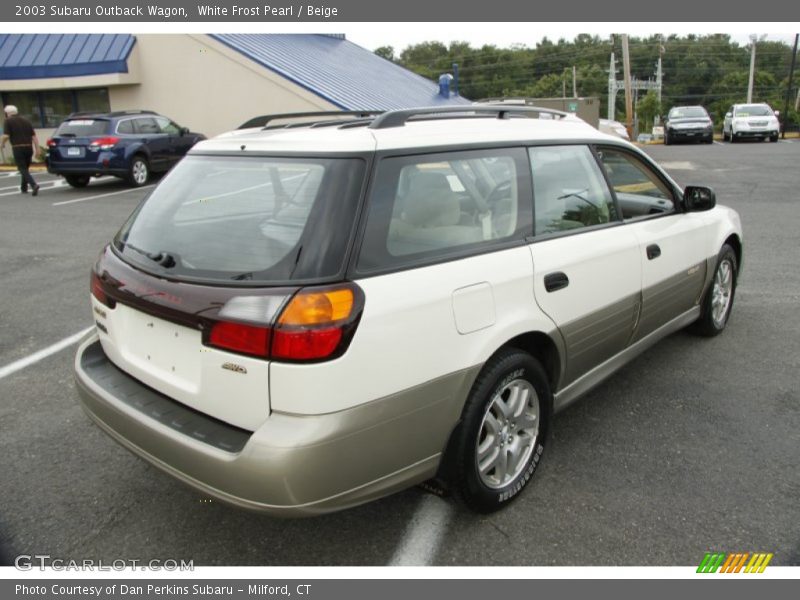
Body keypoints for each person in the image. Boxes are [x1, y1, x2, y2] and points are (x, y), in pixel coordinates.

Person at [1, 105, 40, 196]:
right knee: (25, 169)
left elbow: (6, 135)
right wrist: (37, 149)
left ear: (7, 113)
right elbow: (34, 136)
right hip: (29, 147)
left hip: (18, 147)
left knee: (22, 168)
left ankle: (34, 185)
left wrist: (2, 144)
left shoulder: (8, 121)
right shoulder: (26, 120)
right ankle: (24, 188)